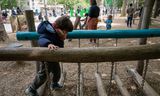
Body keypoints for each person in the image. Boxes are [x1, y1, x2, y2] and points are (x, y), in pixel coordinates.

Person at [25, 16, 73, 96]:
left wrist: (61, 37)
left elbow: (60, 46)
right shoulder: (48, 31)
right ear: (58, 28)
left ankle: (54, 84)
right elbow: (42, 39)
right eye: (65, 32)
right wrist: (48, 44)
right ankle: (31, 88)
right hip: (46, 57)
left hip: (54, 57)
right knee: (43, 75)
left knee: (57, 71)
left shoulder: (57, 33)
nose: (66, 34)